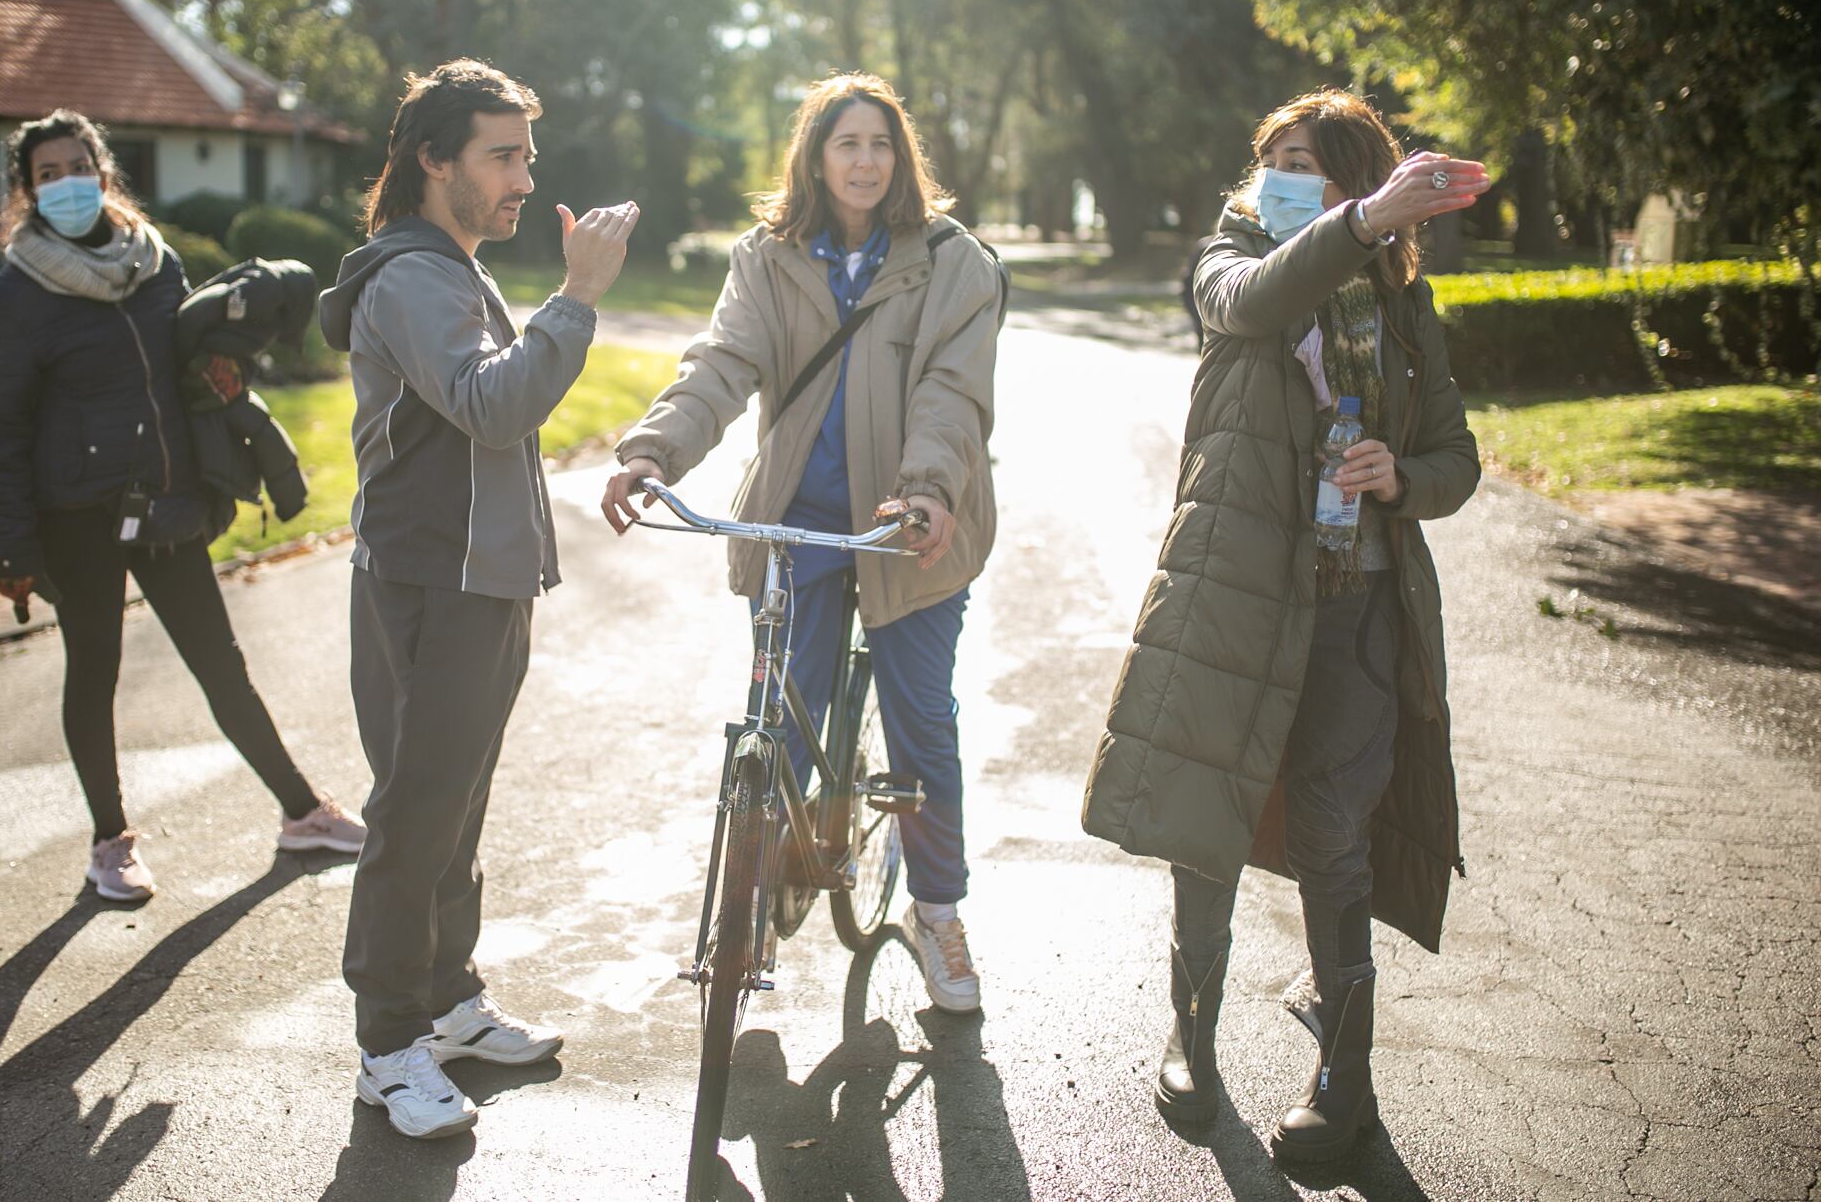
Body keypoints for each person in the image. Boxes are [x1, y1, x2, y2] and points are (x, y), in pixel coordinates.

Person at [1081, 88, 1488, 1161]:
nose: (1281, 177)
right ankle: (1190, 1035)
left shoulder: (1401, 308)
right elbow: (1254, 301)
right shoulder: (1232, 255)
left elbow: (1458, 459)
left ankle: (1342, 1083)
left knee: (1328, 834)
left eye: (1310, 161)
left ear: (1360, 175)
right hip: (1233, 593)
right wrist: (1358, 220)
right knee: (1204, 812)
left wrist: (1398, 473)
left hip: (1354, 600)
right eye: (1275, 160)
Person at [600, 72, 1003, 1015]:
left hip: (909, 527)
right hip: (799, 519)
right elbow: (725, 364)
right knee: (781, 723)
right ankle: (755, 898)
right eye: (844, 143)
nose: (864, 161)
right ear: (814, 158)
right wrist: (654, 450)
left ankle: (941, 912)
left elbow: (953, 390)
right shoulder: (767, 259)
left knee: (920, 722)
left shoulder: (955, 262)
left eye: (880, 144)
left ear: (901, 158)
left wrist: (930, 490)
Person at [316, 58, 639, 1140]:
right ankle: (385, 1044)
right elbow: (491, 410)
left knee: (455, 807)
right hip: (427, 587)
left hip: (481, 585)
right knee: (414, 816)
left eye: (525, 158)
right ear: (432, 159)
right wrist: (577, 295)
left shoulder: (450, 267)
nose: (519, 178)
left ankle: (446, 1002)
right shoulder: (412, 277)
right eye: (500, 156)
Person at [0, 109, 366, 906]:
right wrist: (9, 548)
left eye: (77, 166)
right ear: (27, 192)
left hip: (165, 502)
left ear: (104, 172)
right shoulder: (14, 296)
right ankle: (109, 842)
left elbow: (185, 372)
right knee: (95, 672)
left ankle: (302, 812)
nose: (66, 184)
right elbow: (1, 428)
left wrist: (227, 378)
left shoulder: (157, 267)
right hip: (75, 514)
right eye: (47, 175)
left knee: (220, 662)